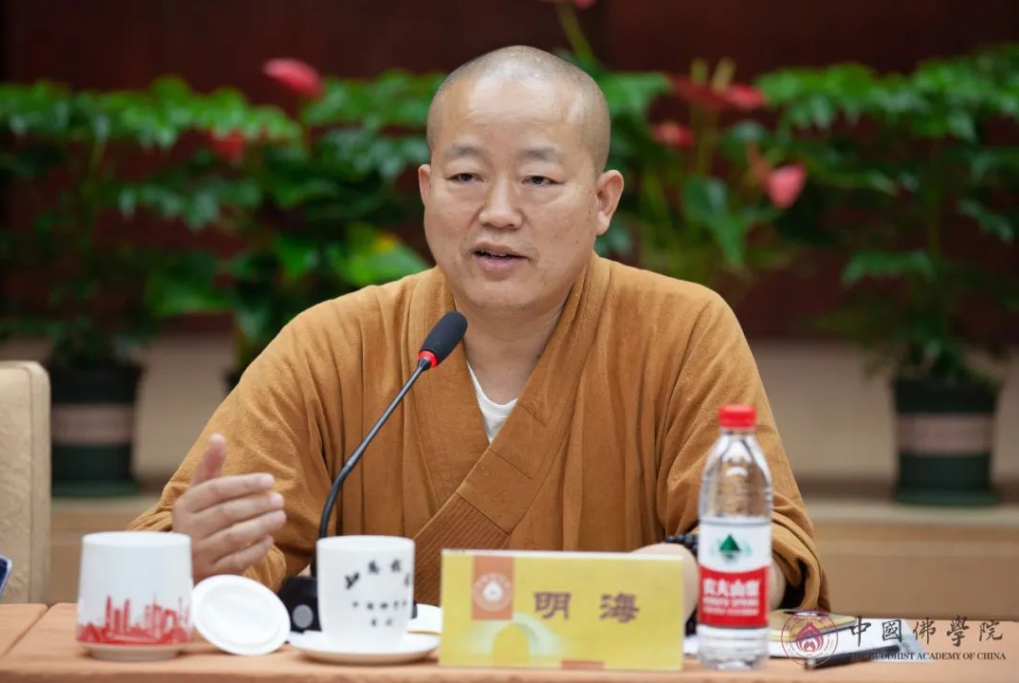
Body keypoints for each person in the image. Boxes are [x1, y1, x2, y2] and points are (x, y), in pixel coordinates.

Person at [129, 45, 830, 617]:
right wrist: (194, 558)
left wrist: (686, 571)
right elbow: (182, 553)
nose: (498, 211)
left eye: (538, 180)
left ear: (602, 201)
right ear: (427, 190)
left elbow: (771, 550)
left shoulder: (681, 331)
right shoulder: (334, 345)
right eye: (466, 176)